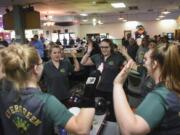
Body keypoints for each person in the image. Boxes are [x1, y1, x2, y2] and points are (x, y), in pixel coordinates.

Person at [0, 45, 95, 135]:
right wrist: (89, 93)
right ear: (36, 68)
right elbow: (81, 129)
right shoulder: (46, 102)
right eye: (41, 62)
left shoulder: (3, 92)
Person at [113, 44, 180, 135]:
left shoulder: (160, 95)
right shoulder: (173, 85)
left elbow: (129, 130)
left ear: (155, 64)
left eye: (145, 59)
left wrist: (118, 85)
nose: (143, 63)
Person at [81, 38, 127, 121]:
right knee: (99, 111)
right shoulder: (97, 57)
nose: (104, 49)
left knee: (113, 112)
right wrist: (88, 52)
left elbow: (128, 67)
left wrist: (125, 54)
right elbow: (83, 62)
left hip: (112, 90)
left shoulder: (117, 57)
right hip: (98, 89)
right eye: (102, 47)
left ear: (111, 47)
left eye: (106, 47)